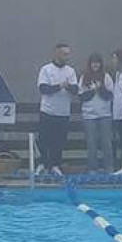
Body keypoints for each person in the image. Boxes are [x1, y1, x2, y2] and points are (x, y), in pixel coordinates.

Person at [36, 43, 79, 175]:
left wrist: (67, 87)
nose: (67, 57)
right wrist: (59, 86)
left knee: (59, 141)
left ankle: (55, 165)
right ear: (57, 54)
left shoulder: (70, 71)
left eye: (68, 54)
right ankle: (43, 163)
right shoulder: (46, 70)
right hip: (48, 111)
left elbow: (75, 90)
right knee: (44, 139)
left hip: (63, 113)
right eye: (65, 54)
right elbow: (43, 89)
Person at [78, 53, 115, 174]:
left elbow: (109, 96)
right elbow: (82, 97)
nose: (95, 65)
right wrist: (92, 90)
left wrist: (100, 88)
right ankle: (92, 168)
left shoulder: (106, 77)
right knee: (91, 143)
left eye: (97, 62)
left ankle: (108, 168)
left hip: (104, 114)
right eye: (93, 62)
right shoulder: (84, 77)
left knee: (106, 143)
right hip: (89, 115)